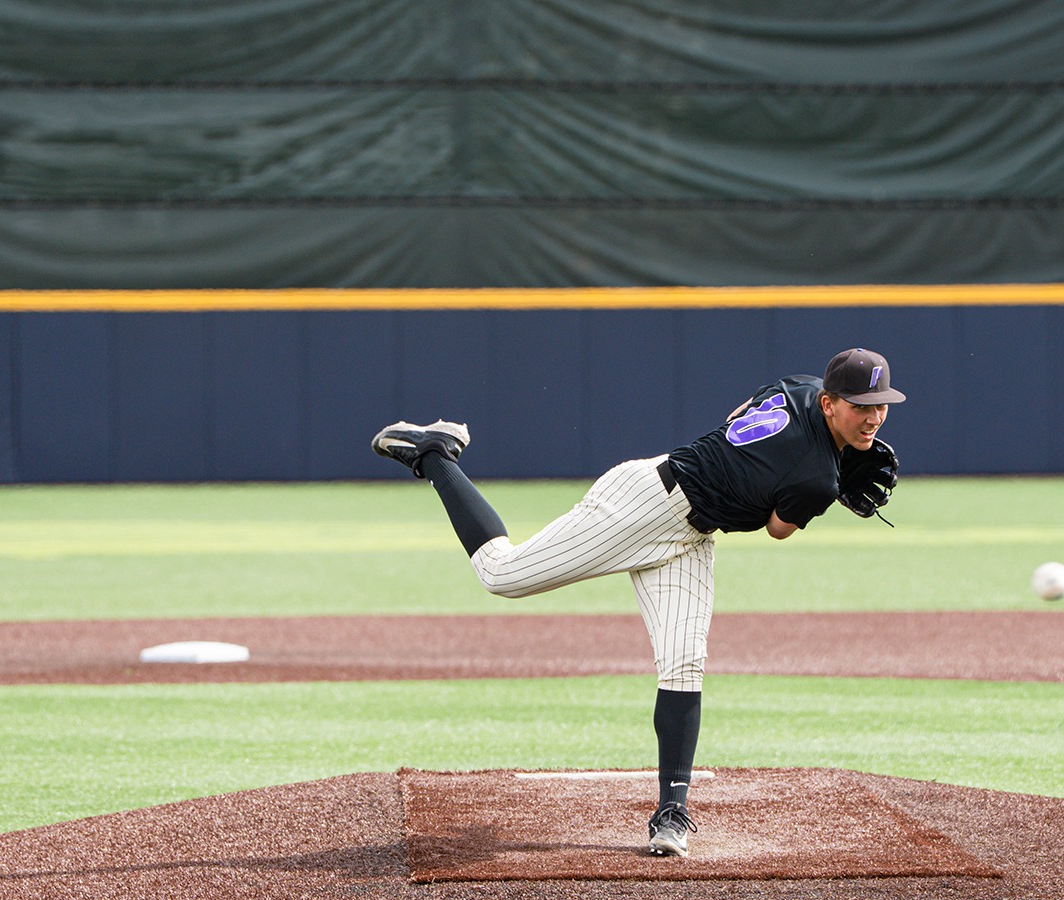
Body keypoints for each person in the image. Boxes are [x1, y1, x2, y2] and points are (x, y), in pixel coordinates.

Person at [369, 348, 903, 856]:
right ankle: (435, 452)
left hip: (690, 535)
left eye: (881, 405)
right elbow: (778, 529)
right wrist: (831, 482)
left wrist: (817, 462)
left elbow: (737, 417)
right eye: (861, 406)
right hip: (645, 505)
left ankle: (672, 813)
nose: (874, 417)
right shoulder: (816, 479)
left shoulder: (799, 386)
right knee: (501, 574)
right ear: (829, 403)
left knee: (684, 664)